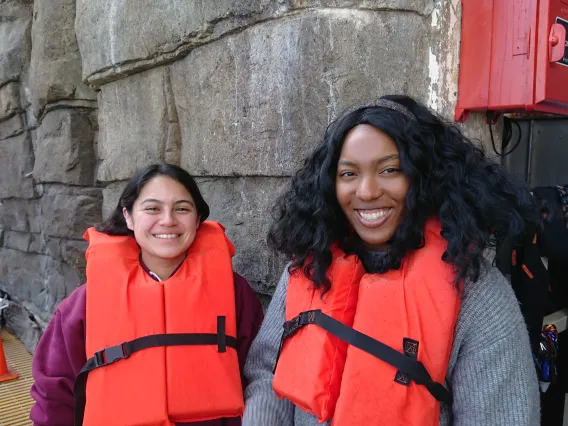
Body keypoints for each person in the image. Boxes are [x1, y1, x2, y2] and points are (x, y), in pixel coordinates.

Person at [242, 96, 540, 425]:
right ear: (330, 184)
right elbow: (267, 375)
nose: (367, 191)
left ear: (423, 176)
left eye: (390, 170)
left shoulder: (478, 294)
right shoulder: (306, 270)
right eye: (349, 173)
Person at [30, 163, 264, 426]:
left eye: (182, 209)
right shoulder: (84, 304)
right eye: (152, 208)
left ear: (198, 219)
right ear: (128, 216)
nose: (168, 220)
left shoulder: (236, 293)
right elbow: (54, 395)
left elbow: (261, 376)